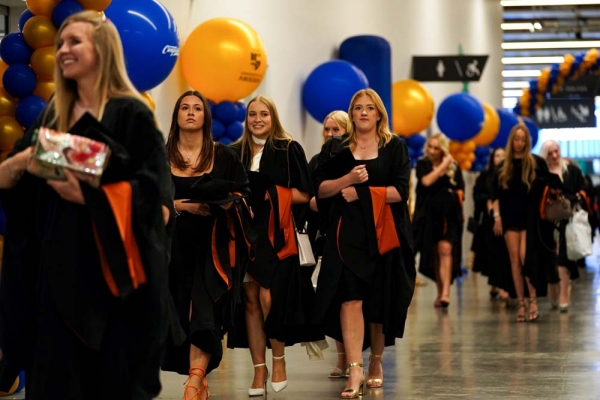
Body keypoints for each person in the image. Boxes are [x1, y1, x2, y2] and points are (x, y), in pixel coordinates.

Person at [0, 11, 175, 399]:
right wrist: (20, 162)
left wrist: (90, 195)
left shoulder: (132, 114)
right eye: (60, 42)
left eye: (74, 41)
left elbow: (158, 205)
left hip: (111, 285)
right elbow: (11, 182)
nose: (63, 49)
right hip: (54, 277)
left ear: (103, 49)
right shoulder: (53, 115)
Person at [313, 89, 415, 398]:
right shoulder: (337, 147)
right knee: (350, 298)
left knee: (377, 302)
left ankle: (376, 362)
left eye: (370, 108)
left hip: (382, 234)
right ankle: (355, 367)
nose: (364, 113)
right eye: (358, 108)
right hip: (346, 235)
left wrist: (362, 193)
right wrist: (348, 180)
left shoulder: (394, 146)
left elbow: (400, 192)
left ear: (379, 113)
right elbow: (321, 190)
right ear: (352, 113)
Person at [161, 91, 252, 400]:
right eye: (184, 107)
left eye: (197, 108)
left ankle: (193, 382)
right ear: (176, 115)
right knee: (180, 312)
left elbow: (244, 194)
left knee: (204, 310)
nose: (190, 112)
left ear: (205, 116)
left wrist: (228, 202)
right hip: (173, 247)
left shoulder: (223, 156)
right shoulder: (161, 156)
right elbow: (146, 200)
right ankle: (197, 379)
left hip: (214, 246)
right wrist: (180, 205)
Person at [229, 96, 315, 396]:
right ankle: (259, 369)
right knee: (250, 301)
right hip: (243, 235)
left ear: (273, 117)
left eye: (263, 114)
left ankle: (279, 360)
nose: (257, 119)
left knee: (270, 299)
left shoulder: (288, 149)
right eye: (252, 114)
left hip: (275, 236)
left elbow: (305, 194)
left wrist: (272, 194)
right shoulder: (234, 152)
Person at [491, 125, 551, 322]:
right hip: (509, 217)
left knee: (526, 257)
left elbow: (548, 186)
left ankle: (532, 300)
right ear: (511, 141)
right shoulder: (502, 167)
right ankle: (521, 303)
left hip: (530, 217)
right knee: (515, 260)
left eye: (523, 139)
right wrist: (497, 217)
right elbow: (495, 195)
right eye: (516, 139)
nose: (519, 143)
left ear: (527, 141)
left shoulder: (535, 163)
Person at [307, 110, 350, 380]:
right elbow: (310, 198)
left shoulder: (353, 159)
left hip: (350, 236)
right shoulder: (316, 161)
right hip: (324, 236)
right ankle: (342, 357)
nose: (331, 134)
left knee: (351, 298)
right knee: (333, 299)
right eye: (327, 129)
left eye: (336, 130)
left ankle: (358, 357)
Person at [413, 133, 465, 308]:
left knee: (445, 250)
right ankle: (440, 290)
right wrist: (443, 165)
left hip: (449, 216)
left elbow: (461, 189)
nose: (432, 151)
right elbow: (426, 181)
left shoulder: (454, 166)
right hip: (429, 216)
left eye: (436, 148)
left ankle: (446, 293)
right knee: (434, 253)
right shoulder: (423, 164)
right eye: (430, 147)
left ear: (442, 149)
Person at [540, 140, 586, 312]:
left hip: (568, 219)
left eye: (556, 151)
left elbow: (583, 190)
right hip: (546, 221)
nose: (554, 156)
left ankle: (564, 295)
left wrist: (572, 198)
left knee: (564, 258)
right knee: (549, 256)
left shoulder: (571, 171)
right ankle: (553, 287)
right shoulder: (542, 174)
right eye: (550, 153)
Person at [471, 147, 510, 301]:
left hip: (507, 219)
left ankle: (503, 285)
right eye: (497, 155)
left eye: (502, 155)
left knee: (505, 252)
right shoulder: (484, 176)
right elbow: (477, 195)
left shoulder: (509, 175)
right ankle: (495, 283)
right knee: (492, 252)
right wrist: (488, 200)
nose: (499, 158)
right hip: (489, 221)